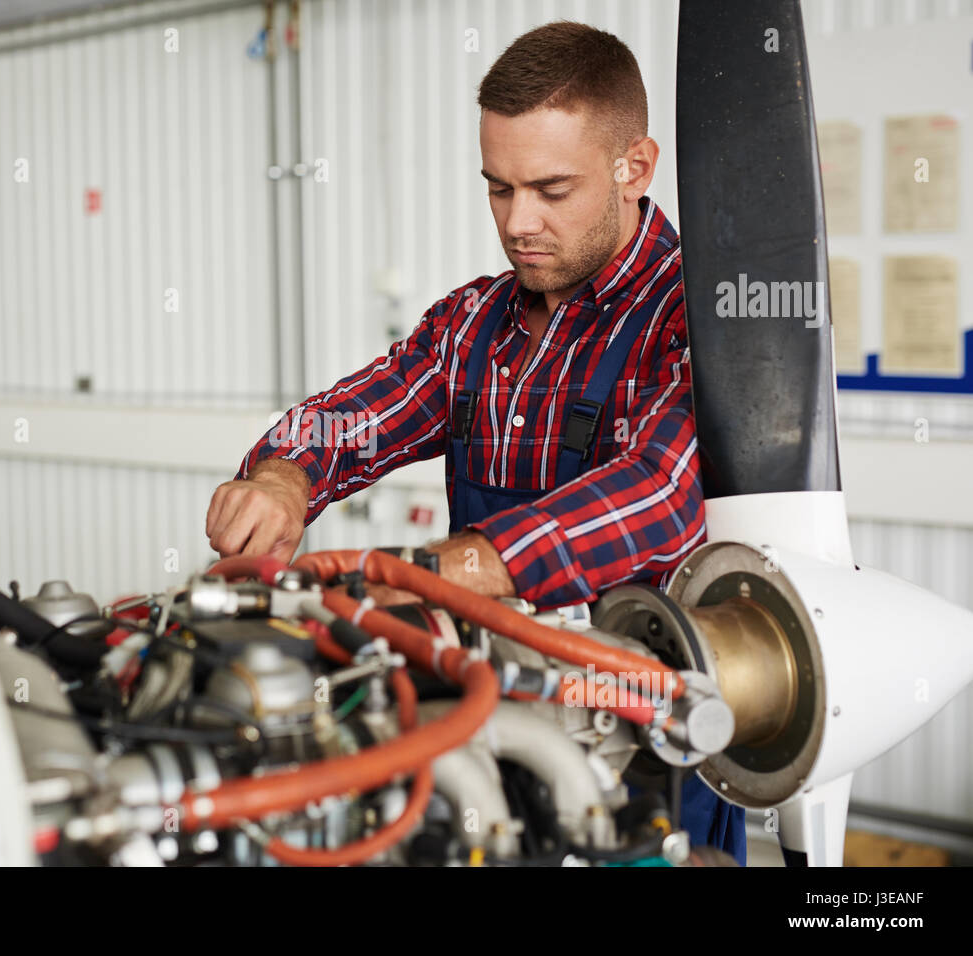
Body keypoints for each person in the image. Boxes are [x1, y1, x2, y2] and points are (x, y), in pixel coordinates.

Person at [204, 20, 745, 865]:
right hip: (484, 722)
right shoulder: (475, 324)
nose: (518, 223)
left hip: (648, 744)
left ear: (634, 166)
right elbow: (356, 413)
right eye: (498, 188)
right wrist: (282, 476)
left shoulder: (695, 317)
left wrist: (449, 572)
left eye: (550, 189)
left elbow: (661, 494)